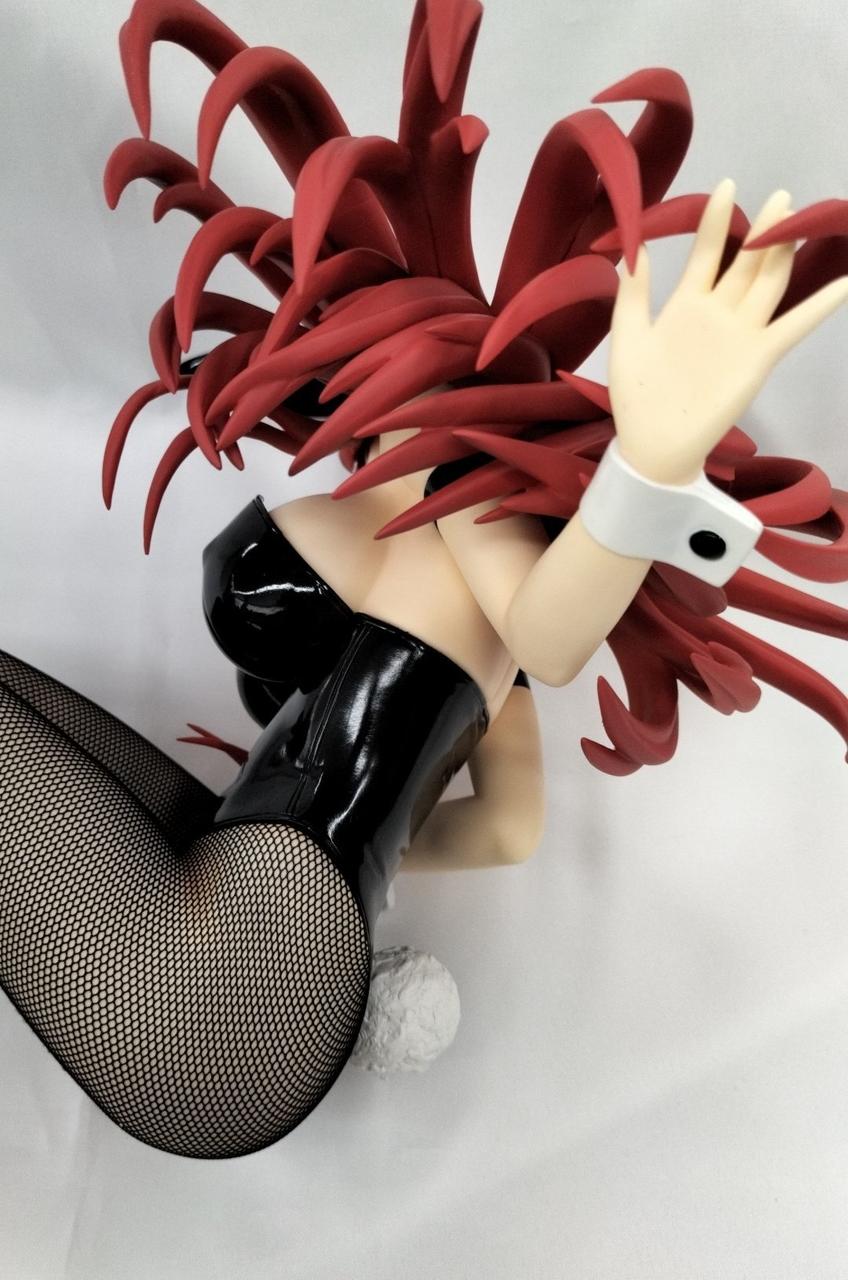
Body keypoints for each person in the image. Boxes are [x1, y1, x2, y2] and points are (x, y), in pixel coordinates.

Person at [1, 0, 846, 1160]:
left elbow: (550, 636)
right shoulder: (432, 546)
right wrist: (374, 854)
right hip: (260, 932)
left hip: (235, 978)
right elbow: (505, 826)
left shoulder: (470, 513)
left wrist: (644, 472)